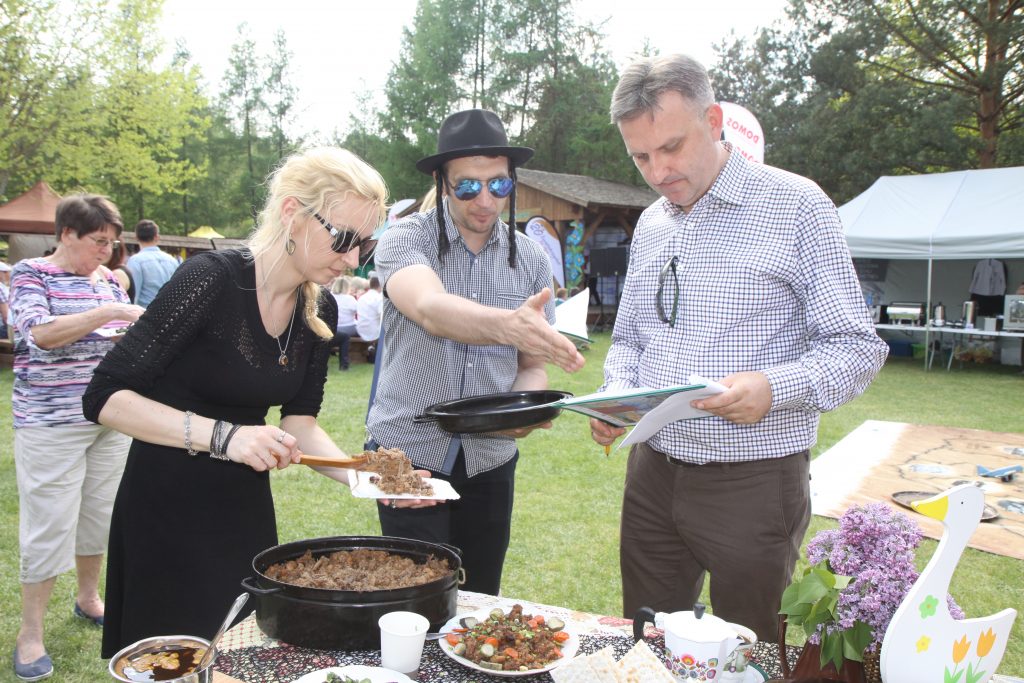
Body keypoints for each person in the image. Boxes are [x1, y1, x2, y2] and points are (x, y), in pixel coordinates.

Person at [81, 147, 436, 657]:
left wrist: (370, 480)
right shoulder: (210, 279)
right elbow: (105, 396)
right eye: (343, 239)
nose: (352, 260)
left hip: (242, 510)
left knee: (237, 654)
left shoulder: (320, 309)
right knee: (174, 660)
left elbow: (300, 423)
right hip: (165, 508)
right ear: (292, 212)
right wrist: (225, 437)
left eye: (365, 245)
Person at [589, 54, 888, 641]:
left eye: (671, 147)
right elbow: (630, 339)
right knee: (646, 641)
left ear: (714, 120)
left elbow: (855, 346)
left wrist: (774, 388)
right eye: (640, 157)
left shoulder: (797, 205)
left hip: (753, 480)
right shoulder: (652, 223)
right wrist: (615, 397)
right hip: (653, 473)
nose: (658, 171)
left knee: (748, 650)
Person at [366, 108, 584, 595]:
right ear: (443, 183)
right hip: (408, 452)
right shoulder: (406, 238)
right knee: (413, 600)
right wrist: (509, 326)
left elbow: (532, 367)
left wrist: (523, 409)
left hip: (490, 457)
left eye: (498, 185)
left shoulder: (530, 257)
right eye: (467, 186)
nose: (485, 200)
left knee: (481, 595)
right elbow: (429, 307)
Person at [10, 194, 145, 681]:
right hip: (51, 423)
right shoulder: (31, 273)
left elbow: (118, 335)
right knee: (49, 525)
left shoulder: (105, 278)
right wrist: (107, 313)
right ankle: (30, 634)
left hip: (108, 419)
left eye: (111, 243)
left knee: (98, 517)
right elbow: (40, 335)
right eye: (98, 241)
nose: (106, 252)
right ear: (66, 233)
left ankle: (88, 598)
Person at [126, 219, 178, 307]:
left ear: (136, 237)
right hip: (169, 310)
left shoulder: (135, 261)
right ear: (157, 237)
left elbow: (133, 295)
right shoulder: (173, 261)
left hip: (145, 311)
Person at [331, 276, 359, 370]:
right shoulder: (350, 299)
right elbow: (358, 311)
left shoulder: (330, 296)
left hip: (333, 327)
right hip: (348, 327)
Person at [355, 274, 383, 360]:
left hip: (360, 328)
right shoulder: (378, 298)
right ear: (380, 285)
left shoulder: (362, 297)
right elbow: (382, 316)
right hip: (374, 331)